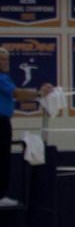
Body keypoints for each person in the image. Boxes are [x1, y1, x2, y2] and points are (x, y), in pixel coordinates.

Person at [0, 45, 54, 203]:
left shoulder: (5, 76)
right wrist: (39, 93)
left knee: (4, 158)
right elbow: (17, 93)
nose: (5, 62)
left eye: (6, 59)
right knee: (2, 159)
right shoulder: (1, 78)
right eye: (1, 59)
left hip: (4, 121)